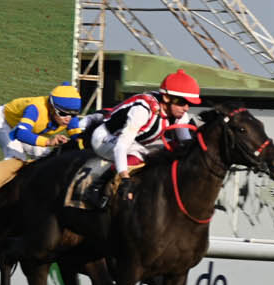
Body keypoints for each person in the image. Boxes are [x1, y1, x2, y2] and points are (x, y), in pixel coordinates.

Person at [81, 71, 203, 204]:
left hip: (139, 141)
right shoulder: (143, 110)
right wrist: (125, 178)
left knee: (174, 148)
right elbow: (121, 146)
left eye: (189, 104)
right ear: (167, 98)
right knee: (142, 154)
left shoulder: (180, 113)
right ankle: (97, 186)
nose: (186, 108)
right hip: (105, 137)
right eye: (182, 102)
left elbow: (185, 143)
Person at [0, 84, 86, 196]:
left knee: (48, 158)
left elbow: (79, 139)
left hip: (27, 130)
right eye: (62, 113)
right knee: (16, 160)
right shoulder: (35, 108)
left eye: (73, 114)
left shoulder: (69, 116)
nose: (68, 119)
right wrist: (49, 142)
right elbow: (20, 133)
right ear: (51, 106)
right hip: (5, 122)